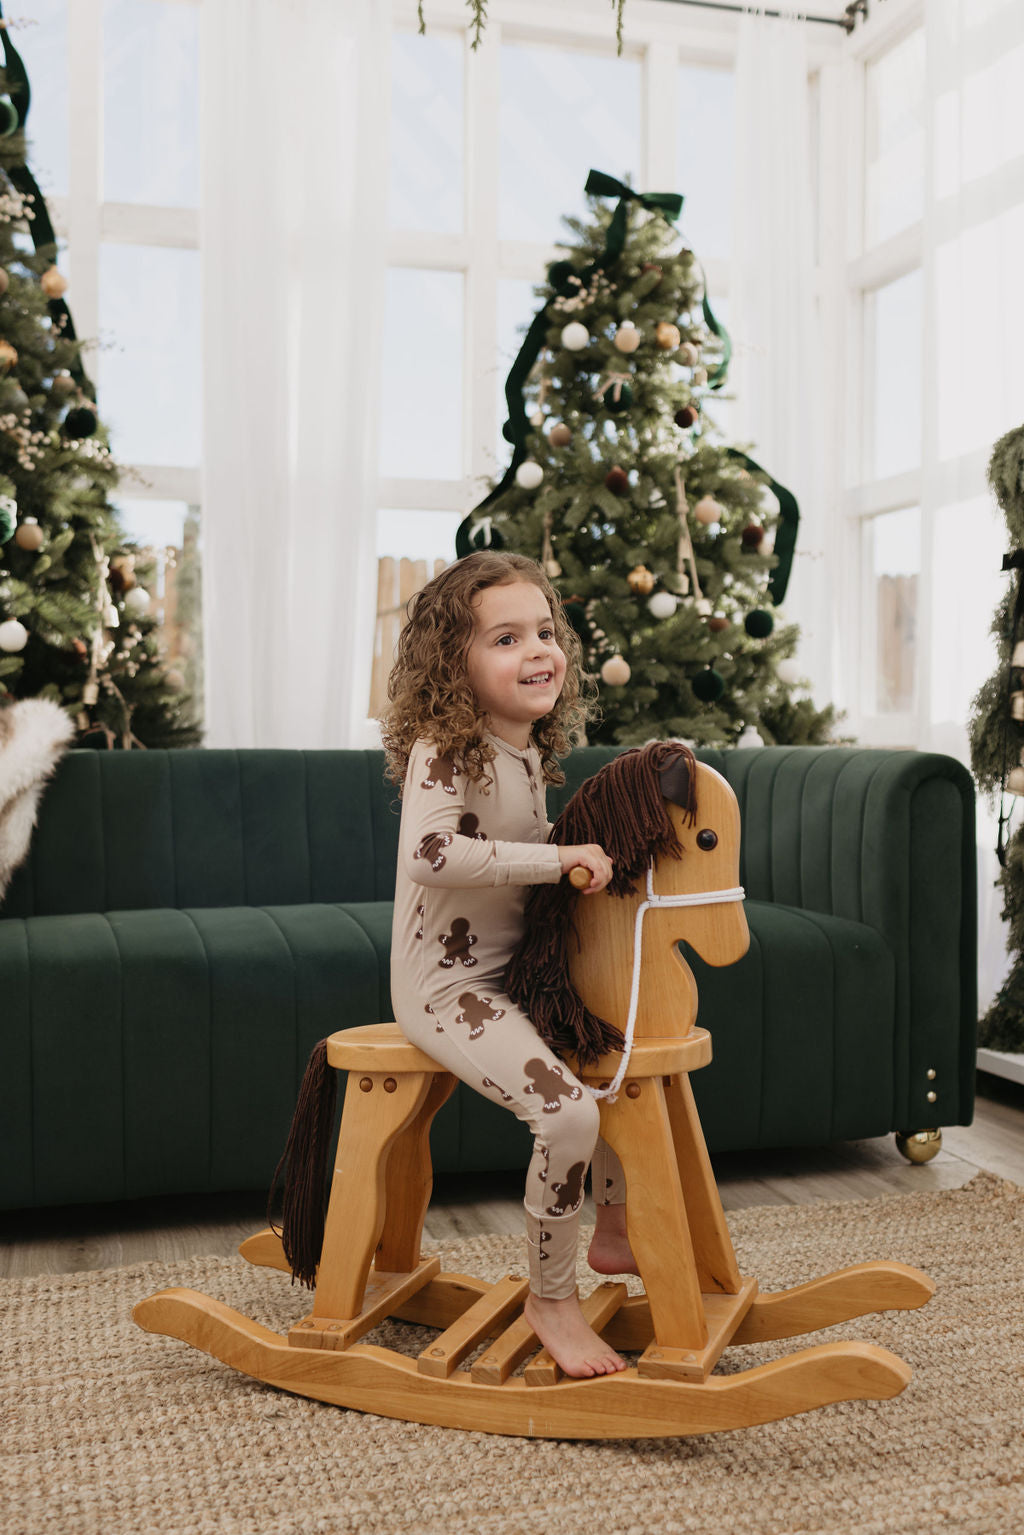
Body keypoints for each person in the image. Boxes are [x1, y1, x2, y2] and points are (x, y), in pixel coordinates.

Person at [380, 550, 636, 1378]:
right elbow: (429, 851)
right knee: (565, 1115)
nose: (537, 650)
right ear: (453, 664)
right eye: (505, 637)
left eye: (545, 631)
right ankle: (550, 1297)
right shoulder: (445, 747)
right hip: (447, 986)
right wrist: (554, 860)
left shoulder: (524, 749)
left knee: (618, 1056)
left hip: (512, 975)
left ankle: (614, 1227)